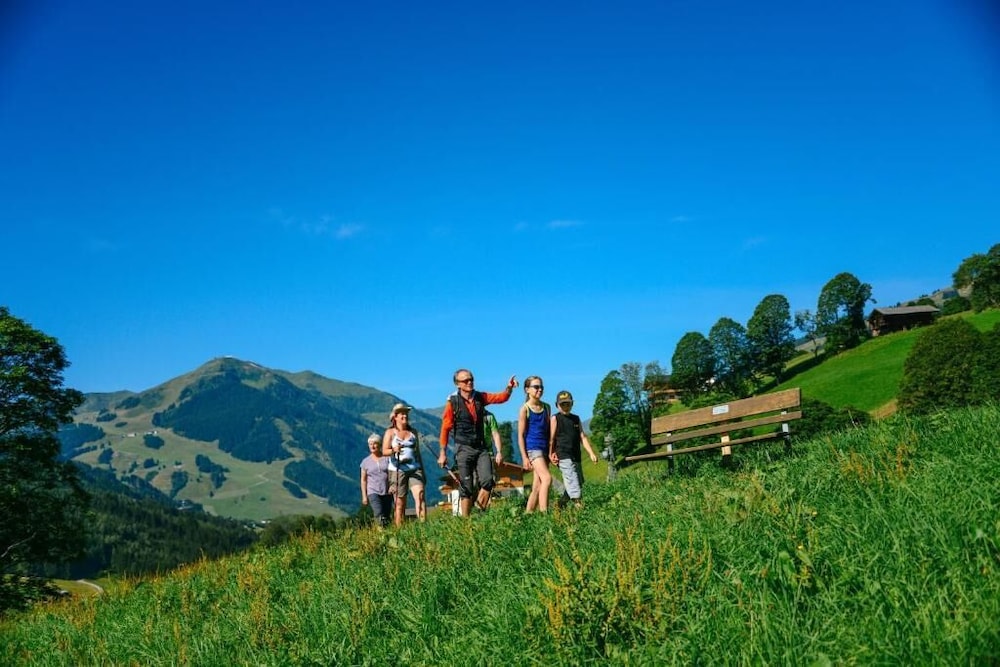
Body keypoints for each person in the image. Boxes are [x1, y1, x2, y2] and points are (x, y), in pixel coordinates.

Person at [438, 369, 518, 517]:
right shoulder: (452, 403)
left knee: (488, 480)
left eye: (471, 379)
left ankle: (478, 513)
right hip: (463, 448)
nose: (470, 382)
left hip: (481, 448)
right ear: (458, 384)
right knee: (466, 487)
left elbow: (500, 398)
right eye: (465, 380)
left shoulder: (480, 397)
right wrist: (442, 453)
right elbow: (445, 428)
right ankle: (466, 522)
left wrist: (509, 388)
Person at [549, 390, 598, 509]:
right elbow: (551, 438)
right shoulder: (555, 418)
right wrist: (551, 453)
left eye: (568, 404)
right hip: (563, 454)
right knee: (572, 479)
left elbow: (582, 436)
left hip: (576, 454)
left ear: (572, 404)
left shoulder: (576, 419)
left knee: (579, 482)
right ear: (557, 405)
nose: (565, 407)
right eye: (562, 404)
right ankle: (579, 506)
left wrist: (591, 453)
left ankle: (561, 503)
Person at [383, 403, 427, 526]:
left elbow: (417, 453)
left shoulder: (413, 432)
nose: (405, 415)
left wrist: (422, 471)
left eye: (406, 413)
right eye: (402, 413)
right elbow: (384, 451)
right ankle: (399, 530)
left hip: (414, 469)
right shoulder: (390, 433)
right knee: (400, 502)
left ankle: (424, 526)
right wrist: (393, 450)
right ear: (395, 417)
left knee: (420, 495)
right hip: (397, 470)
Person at [518, 376, 552, 513]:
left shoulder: (547, 407)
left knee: (537, 485)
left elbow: (549, 431)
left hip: (544, 449)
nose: (540, 390)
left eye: (541, 387)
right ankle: (545, 514)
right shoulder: (524, 409)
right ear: (527, 390)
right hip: (533, 448)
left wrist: (551, 450)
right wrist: (525, 457)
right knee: (547, 478)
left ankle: (528, 514)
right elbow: (520, 435)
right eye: (536, 387)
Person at [360, 433, 393, 528]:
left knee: (386, 515)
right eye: (370, 444)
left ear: (380, 444)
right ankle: (380, 532)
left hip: (387, 491)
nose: (373, 446)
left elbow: (392, 474)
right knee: (378, 512)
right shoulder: (365, 462)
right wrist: (364, 496)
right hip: (373, 491)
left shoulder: (387, 459)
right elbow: (363, 480)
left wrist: (392, 485)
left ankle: (387, 532)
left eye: (375, 443)